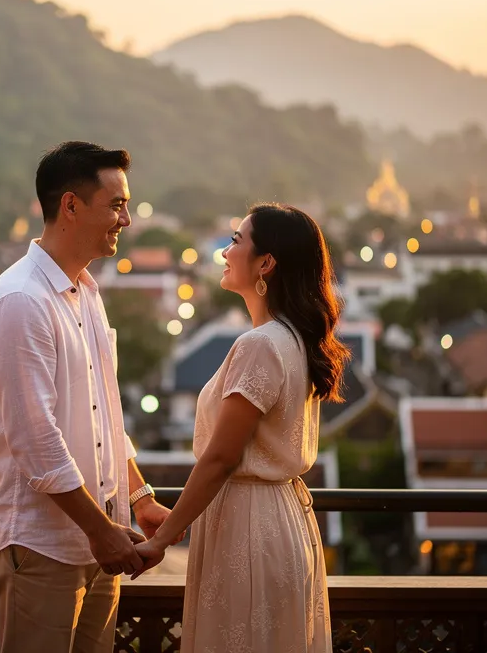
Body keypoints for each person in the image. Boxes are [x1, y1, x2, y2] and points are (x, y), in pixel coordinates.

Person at [0, 141, 175, 653]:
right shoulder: (22, 300)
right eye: (115, 205)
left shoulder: (85, 291)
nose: (126, 219)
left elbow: (105, 412)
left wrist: (138, 498)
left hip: (98, 537)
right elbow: (35, 440)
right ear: (70, 205)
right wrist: (101, 531)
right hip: (42, 543)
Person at [133, 203, 349, 653]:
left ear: (266, 262)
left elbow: (221, 457)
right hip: (282, 518)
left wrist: (164, 538)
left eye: (236, 241)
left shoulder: (260, 346)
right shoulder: (293, 339)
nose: (225, 252)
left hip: (250, 527)